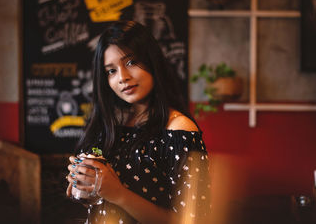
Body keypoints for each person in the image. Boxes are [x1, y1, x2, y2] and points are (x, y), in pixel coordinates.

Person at [66, 20, 210, 224]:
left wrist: (119, 194)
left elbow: (194, 220)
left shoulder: (179, 131)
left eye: (131, 62)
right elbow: (98, 203)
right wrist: (83, 186)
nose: (122, 77)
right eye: (111, 71)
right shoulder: (111, 124)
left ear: (152, 62)